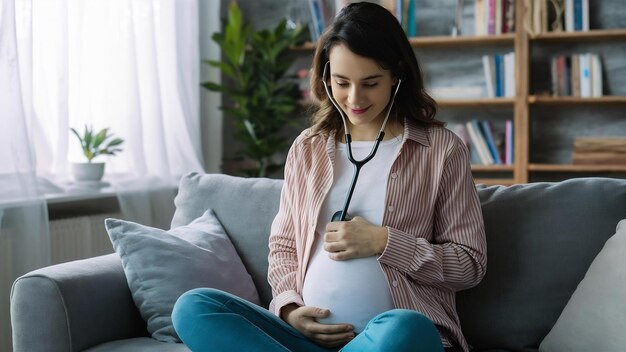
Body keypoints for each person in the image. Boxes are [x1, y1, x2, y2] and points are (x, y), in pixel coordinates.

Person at [172, 2, 486, 351]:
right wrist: (290, 309)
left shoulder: (441, 150)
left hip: (386, 339)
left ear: (397, 75)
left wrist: (384, 242)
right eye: (342, 82)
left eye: (370, 83)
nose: (355, 98)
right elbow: (285, 246)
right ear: (325, 77)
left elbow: (469, 264)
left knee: (406, 328)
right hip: (305, 339)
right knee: (195, 307)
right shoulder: (307, 149)